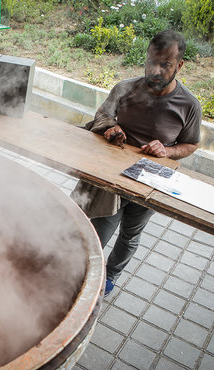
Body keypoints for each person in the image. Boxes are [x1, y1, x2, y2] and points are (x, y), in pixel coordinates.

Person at [73, 30, 202, 297]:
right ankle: (82, 280)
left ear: (179, 65)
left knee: (130, 235)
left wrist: (167, 150)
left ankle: (111, 276)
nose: (155, 70)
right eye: (151, 61)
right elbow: (102, 116)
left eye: (165, 65)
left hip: (152, 182)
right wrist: (110, 128)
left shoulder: (189, 105)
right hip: (112, 179)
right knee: (99, 231)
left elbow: (191, 144)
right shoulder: (125, 88)